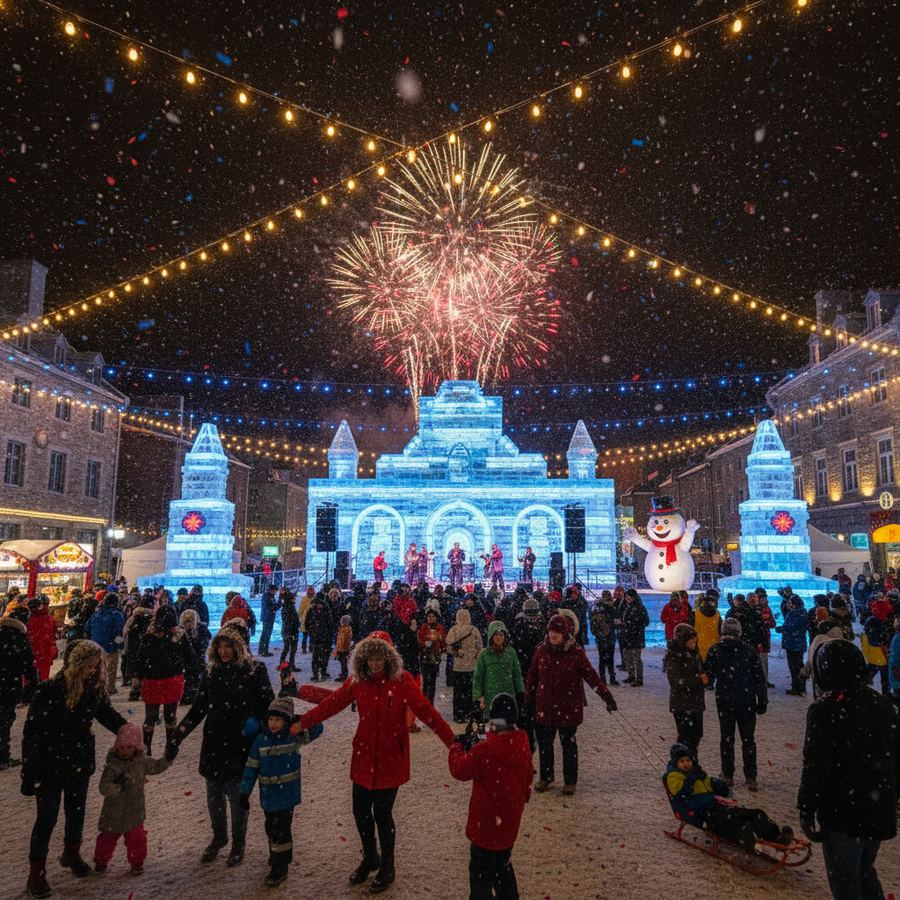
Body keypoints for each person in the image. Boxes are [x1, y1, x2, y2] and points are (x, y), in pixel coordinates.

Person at [298, 632, 455, 894]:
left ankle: (388, 866)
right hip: (364, 755)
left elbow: (427, 712)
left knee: (382, 814)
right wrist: (301, 721)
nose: (374, 664)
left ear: (388, 658)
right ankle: (371, 857)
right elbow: (332, 704)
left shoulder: (402, 681)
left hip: (391, 758)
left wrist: (452, 742)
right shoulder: (358, 681)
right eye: (370, 657)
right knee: (360, 812)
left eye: (379, 658)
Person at [22, 640, 127, 898]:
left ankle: (72, 853)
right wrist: (30, 772)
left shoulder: (92, 689)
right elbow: (32, 734)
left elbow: (107, 715)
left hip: (79, 761)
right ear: (76, 665)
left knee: (76, 812)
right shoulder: (49, 691)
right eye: (89, 667)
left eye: (96, 667)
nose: (93, 671)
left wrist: (128, 732)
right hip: (50, 764)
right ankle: (36, 872)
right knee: (47, 819)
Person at [797, 640, 899, 899]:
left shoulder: (825, 709)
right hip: (877, 804)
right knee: (864, 870)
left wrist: (807, 808)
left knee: (846, 880)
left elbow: (816, 765)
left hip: (844, 809)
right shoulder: (882, 704)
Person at [170, 628, 275, 867]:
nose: (224, 651)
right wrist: (180, 733)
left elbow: (267, 703)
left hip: (241, 742)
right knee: (214, 795)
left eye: (229, 646)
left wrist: (261, 727)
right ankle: (219, 836)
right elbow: (199, 707)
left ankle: (238, 842)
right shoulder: (212, 671)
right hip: (215, 740)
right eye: (221, 646)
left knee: (238, 797)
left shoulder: (254, 670)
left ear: (238, 647)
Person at [448, 693, 533, 900]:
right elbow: (527, 779)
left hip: (484, 824)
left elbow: (459, 770)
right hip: (509, 822)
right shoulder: (523, 744)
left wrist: (456, 747)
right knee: (502, 867)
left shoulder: (485, 750)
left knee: (481, 875)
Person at [525, 614, 616, 795]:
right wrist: (528, 700)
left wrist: (606, 696)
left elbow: (592, 677)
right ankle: (546, 777)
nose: (553, 635)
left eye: (557, 632)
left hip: (568, 707)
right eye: (551, 631)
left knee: (568, 745)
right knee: (545, 745)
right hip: (545, 706)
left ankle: (570, 781)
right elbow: (532, 677)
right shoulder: (541, 650)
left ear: (565, 633)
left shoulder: (576, 652)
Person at [239, 697, 323, 887]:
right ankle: (275, 855)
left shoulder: (294, 737)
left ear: (287, 721)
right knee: (270, 827)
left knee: (281, 831)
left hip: (286, 796)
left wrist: (299, 721)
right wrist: (244, 792)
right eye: (271, 719)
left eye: (279, 720)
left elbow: (319, 728)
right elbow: (251, 767)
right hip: (267, 797)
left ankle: (281, 866)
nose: (274, 724)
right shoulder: (260, 741)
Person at [664, 743, 793, 850]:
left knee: (753, 814)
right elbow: (681, 795)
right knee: (731, 821)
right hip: (700, 813)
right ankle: (742, 837)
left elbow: (710, 784)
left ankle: (776, 836)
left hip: (716, 806)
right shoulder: (673, 776)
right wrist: (690, 780)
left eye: (688, 760)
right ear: (676, 764)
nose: (686, 763)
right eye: (681, 761)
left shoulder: (696, 773)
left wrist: (720, 785)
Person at [93, 723, 173, 875]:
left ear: (137, 747)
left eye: (129, 747)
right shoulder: (112, 766)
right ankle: (100, 860)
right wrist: (118, 786)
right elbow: (103, 788)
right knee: (107, 840)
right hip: (112, 813)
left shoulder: (142, 762)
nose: (125, 751)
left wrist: (168, 760)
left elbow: (156, 767)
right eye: (121, 748)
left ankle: (136, 863)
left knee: (137, 840)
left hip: (134, 811)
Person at [704, 618, 767, 791]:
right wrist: (762, 700)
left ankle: (728, 774)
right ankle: (751, 776)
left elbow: (708, 678)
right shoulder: (748, 651)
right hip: (746, 698)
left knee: (726, 738)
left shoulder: (716, 650)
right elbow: (759, 678)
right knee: (748, 739)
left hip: (725, 699)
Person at [134, 605, 195, 755]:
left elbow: (140, 657)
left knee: (151, 715)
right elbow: (190, 657)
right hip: (172, 678)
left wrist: (138, 676)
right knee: (170, 714)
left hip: (152, 679)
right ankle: (170, 745)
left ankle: (147, 747)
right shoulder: (179, 636)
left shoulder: (150, 635)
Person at [663, 623, 707, 767]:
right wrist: (698, 680)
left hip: (696, 703)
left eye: (695, 640)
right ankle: (684, 764)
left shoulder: (695, 654)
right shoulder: (673, 656)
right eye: (691, 641)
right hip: (682, 704)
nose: (694, 643)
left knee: (696, 735)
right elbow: (676, 682)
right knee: (686, 738)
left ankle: (691, 762)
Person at [0, 607, 38, 770]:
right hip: (8, 687)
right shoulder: (20, 638)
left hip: (7, 683)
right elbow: (28, 665)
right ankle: (2, 756)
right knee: (4, 722)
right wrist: (33, 688)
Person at [473, 621, 524, 719]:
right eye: (495, 634)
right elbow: (478, 677)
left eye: (501, 635)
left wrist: (520, 692)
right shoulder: (484, 654)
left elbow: (517, 674)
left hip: (508, 696)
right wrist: (478, 696)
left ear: (505, 636)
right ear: (491, 636)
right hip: (490, 696)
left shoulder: (511, 653)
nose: (498, 637)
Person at [446, 607, 484, 723]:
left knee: (458, 692)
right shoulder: (474, 630)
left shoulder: (453, 631)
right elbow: (480, 647)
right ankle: (469, 713)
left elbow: (448, 647)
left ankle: (458, 714)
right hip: (472, 665)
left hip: (458, 665)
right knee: (470, 691)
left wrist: (457, 653)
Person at [84, 593, 125, 694]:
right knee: (110, 669)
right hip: (110, 646)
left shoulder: (96, 614)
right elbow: (119, 631)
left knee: (97, 668)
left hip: (96, 645)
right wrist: (120, 645)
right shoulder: (116, 614)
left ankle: (97, 687)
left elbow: (86, 628)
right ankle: (109, 688)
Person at [777, 595, 809, 696]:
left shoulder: (794, 613)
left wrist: (781, 629)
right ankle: (801, 688)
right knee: (799, 665)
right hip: (799, 643)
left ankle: (796, 688)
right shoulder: (803, 612)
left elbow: (790, 626)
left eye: (790, 603)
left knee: (794, 667)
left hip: (792, 643)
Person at [179, 608, 210, 704]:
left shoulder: (198, 629)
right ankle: (191, 695)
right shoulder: (184, 631)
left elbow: (203, 643)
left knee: (193, 678)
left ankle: (191, 695)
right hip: (191, 659)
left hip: (193, 659)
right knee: (192, 678)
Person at [619, 588, 649, 687]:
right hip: (627, 636)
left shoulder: (640, 608)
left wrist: (632, 624)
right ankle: (631, 676)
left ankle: (639, 679)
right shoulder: (627, 607)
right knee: (628, 658)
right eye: (626, 597)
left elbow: (645, 622)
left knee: (636, 659)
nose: (627, 599)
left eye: (628, 597)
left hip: (636, 637)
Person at [417, 608, 446, 704]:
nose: (431, 618)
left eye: (433, 616)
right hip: (425, 655)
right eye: (429, 616)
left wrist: (441, 647)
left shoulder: (439, 628)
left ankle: (430, 701)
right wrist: (424, 643)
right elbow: (419, 639)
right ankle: (425, 700)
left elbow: (442, 640)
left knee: (432, 680)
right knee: (425, 680)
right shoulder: (424, 627)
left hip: (435, 656)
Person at [589, 591, 618, 685]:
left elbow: (592, 620)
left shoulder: (597, 606)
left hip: (601, 636)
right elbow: (616, 621)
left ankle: (603, 679)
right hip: (609, 635)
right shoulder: (612, 606)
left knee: (602, 658)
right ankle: (611, 678)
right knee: (610, 658)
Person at [25, 596, 57, 682]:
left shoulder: (28, 618)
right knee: (43, 675)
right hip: (45, 650)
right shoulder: (49, 618)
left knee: (29, 676)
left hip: (32, 649)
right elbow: (53, 633)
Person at [306, 593, 333, 682]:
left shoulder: (326, 610)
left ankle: (323, 672)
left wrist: (329, 634)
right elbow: (307, 623)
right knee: (316, 657)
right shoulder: (311, 611)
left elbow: (330, 624)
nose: (318, 605)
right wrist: (312, 632)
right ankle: (315, 674)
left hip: (326, 637)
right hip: (315, 637)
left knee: (325, 656)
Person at [694, 593, 721, 662]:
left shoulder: (695, 614)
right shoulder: (717, 615)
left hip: (699, 646)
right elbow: (721, 630)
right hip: (714, 646)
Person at [279, 589, 301, 673]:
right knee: (288, 649)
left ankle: (288, 664)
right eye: (293, 598)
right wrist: (294, 627)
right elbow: (289, 620)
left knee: (290, 649)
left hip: (289, 631)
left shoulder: (289, 607)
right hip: (290, 631)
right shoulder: (288, 608)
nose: (295, 599)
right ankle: (285, 664)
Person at [257, 585, 281, 657]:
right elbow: (271, 607)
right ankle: (264, 651)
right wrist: (279, 603)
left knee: (265, 634)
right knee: (266, 634)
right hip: (268, 618)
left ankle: (262, 650)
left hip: (267, 617)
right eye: (275, 591)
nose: (275, 592)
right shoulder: (268, 596)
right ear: (272, 590)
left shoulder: (269, 596)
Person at [334, 614, 354, 681]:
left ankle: (344, 675)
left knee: (343, 663)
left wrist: (345, 648)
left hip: (344, 650)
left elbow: (346, 641)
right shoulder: (341, 630)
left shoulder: (346, 630)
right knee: (342, 663)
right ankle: (343, 674)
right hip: (341, 649)